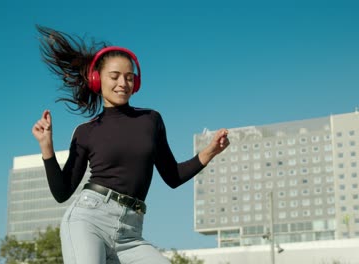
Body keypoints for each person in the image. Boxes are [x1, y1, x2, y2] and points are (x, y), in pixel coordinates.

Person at [32, 26, 230, 264]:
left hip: (130, 233)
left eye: (129, 77)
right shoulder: (85, 132)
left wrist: (210, 151)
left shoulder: (151, 120)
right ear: (97, 79)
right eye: (114, 76)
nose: (123, 83)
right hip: (89, 221)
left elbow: (172, 176)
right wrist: (47, 148)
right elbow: (62, 192)